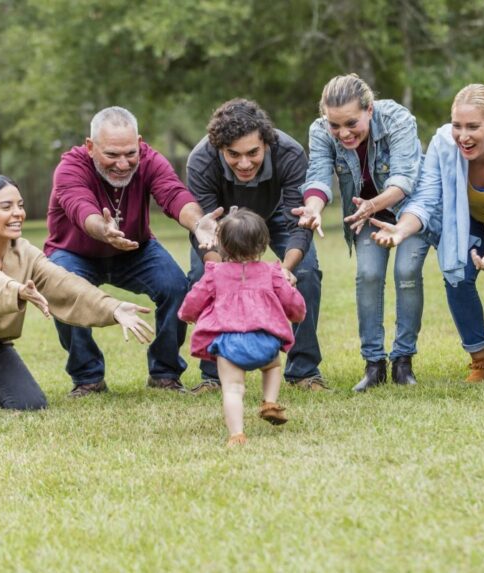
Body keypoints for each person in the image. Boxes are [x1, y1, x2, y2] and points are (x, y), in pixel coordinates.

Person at [0, 175, 154, 417]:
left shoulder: (24, 252)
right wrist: (15, 289)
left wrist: (112, 307)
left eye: (20, 205)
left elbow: (63, 283)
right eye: (6, 207)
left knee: (30, 403)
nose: (18, 213)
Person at [370, 84, 484, 382]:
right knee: (456, 274)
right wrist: (402, 229)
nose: (462, 136)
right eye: (457, 125)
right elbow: (427, 199)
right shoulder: (443, 143)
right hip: (469, 222)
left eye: (472, 126)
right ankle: (480, 362)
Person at [44, 106, 219, 397]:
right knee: (62, 287)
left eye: (130, 153)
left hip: (136, 251)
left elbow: (173, 193)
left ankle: (165, 374)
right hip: (75, 252)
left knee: (175, 286)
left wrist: (198, 223)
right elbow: (80, 207)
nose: (123, 164)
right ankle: (88, 378)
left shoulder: (150, 160)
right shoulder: (70, 167)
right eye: (111, 155)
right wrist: (104, 230)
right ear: (90, 146)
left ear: (139, 142)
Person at [185, 98, 326, 392]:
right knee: (203, 277)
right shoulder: (201, 160)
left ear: (266, 142)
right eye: (233, 155)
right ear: (219, 149)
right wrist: (222, 272)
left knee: (307, 272)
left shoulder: (289, 153)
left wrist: (286, 270)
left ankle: (303, 371)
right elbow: (206, 229)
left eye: (253, 153)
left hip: (276, 215)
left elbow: (298, 223)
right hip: (222, 223)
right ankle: (213, 374)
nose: (244, 163)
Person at [299, 73, 429, 391]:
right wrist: (313, 208)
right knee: (368, 276)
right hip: (366, 213)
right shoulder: (320, 131)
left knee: (407, 271)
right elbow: (317, 176)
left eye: (351, 123)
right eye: (335, 125)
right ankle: (374, 366)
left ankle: (403, 362)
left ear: (369, 110)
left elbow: (403, 179)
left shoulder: (397, 118)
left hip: (408, 209)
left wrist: (371, 206)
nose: (343, 133)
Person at [179, 209, 306, 446]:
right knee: (273, 367)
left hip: (230, 345)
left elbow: (195, 298)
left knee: (233, 389)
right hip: (266, 342)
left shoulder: (214, 273)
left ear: (222, 245)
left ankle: (237, 435)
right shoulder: (273, 272)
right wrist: (297, 314)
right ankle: (269, 401)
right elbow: (292, 301)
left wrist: (187, 315)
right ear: (263, 243)